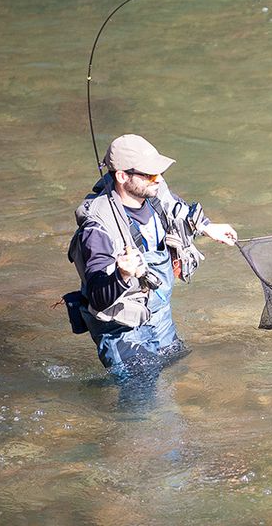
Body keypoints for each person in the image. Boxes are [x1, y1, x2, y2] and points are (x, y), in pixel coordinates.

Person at [67, 134, 237, 375]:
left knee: (176, 371)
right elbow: (97, 296)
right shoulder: (98, 227)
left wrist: (208, 227)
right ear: (122, 176)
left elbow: (176, 207)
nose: (158, 179)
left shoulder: (153, 191)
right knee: (142, 404)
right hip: (122, 329)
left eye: (159, 172)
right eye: (149, 174)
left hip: (159, 316)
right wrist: (122, 274)